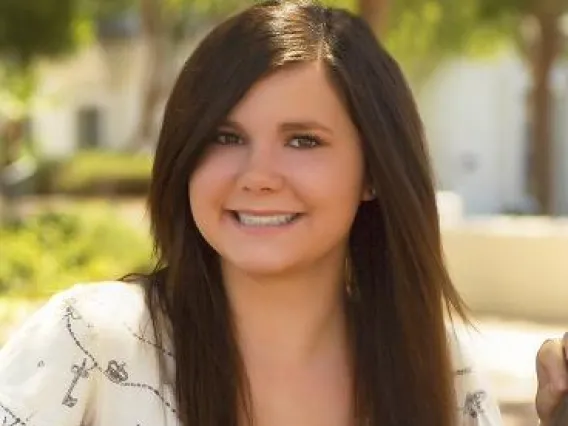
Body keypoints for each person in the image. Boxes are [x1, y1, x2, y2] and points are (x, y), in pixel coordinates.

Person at [0, 1, 565, 425]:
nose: (258, 175)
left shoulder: (435, 360)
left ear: (373, 171)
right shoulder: (90, 342)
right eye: (224, 136)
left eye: (303, 141)